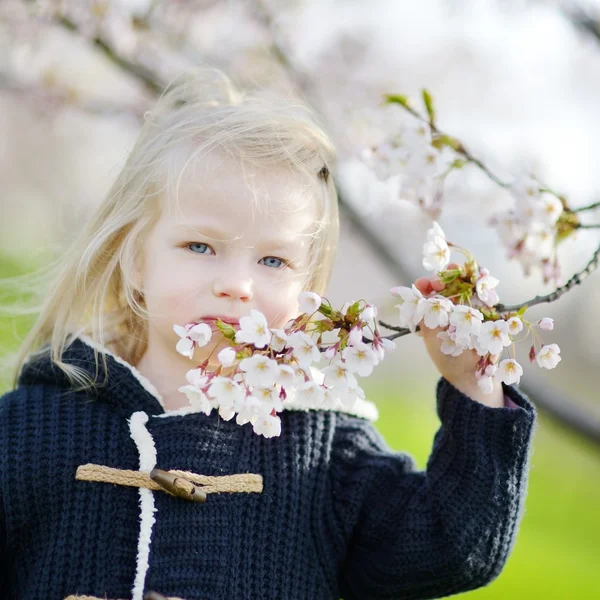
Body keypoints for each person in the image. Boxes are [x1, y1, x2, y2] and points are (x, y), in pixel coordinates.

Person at [0, 68, 536, 600]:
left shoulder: (323, 454)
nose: (236, 285)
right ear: (136, 260)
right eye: (200, 247)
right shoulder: (31, 426)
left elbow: (453, 546)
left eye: (273, 260)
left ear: (309, 290)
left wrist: (476, 392)